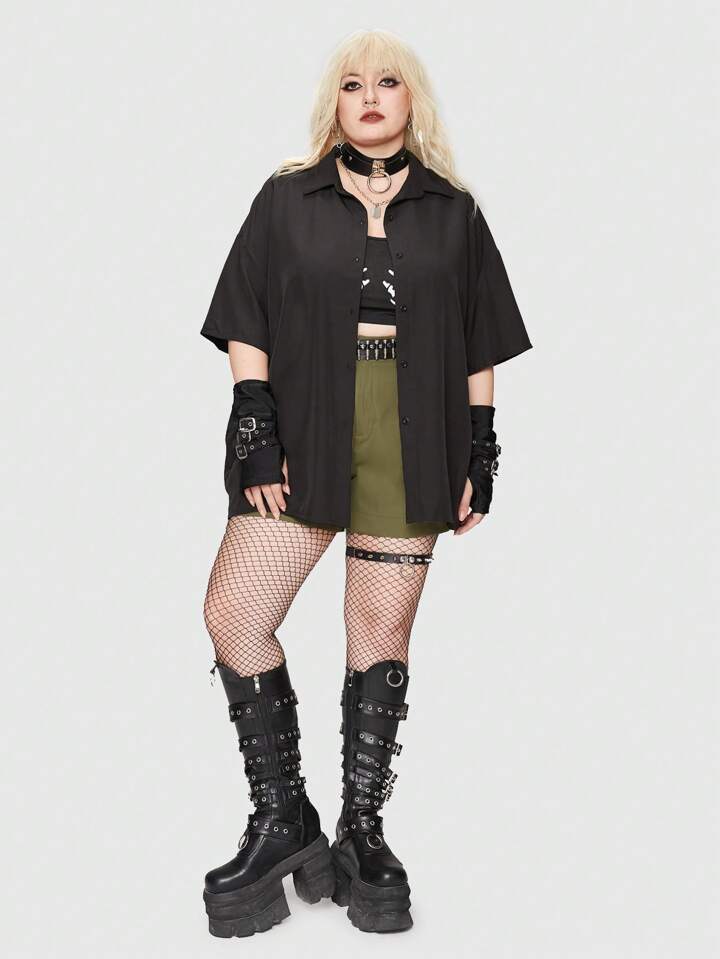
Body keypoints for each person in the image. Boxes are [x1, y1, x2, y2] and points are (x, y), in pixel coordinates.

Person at [199, 28, 532, 937]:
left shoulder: (454, 212)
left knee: (378, 633)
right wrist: (254, 423)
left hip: (413, 428)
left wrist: (482, 447)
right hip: (305, 421)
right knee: (235, 613)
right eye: (353, 84)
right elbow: (246, 315)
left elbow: (481, 337)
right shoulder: (286, 198)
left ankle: (362, 834)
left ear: (411, 99)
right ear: (335, 103)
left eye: (388, 82)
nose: (371, 96)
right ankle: (285, 821)